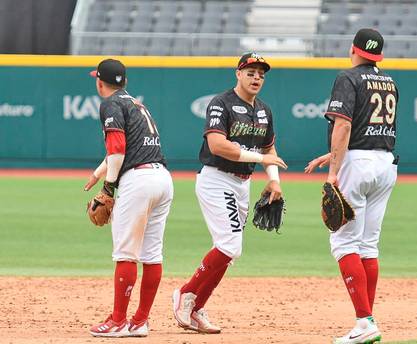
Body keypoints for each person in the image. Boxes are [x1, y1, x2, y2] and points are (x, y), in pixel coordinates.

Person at [172, 52, 287, 334]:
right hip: (217, 179)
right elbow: (217, 145)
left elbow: (268, 149)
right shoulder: (221, 103)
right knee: (229, 246)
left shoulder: (264, 110)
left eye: (261, 73)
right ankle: (185, 295)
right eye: (251, 72)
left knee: (229, 252)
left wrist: (274, 181)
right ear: (238, 73)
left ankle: (197, 307)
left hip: (242, 183)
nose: (257, 77)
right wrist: (261, 161)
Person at [305, 28, 398, 344]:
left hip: (357, 165)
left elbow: (344, 124)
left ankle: (364, 322)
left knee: (344, 244)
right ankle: (368, 320)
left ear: (353, 49)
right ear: (379, 55)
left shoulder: (348, 77)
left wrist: (333, 172)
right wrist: (331, 155)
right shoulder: (389, 81)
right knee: (368, 245)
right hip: (385, 163)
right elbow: (367, 130)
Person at [84, 59, 174, 338]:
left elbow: (119, 150)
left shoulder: (110, 104)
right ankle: (140, 321)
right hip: (162, 179)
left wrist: (109, 187)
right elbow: (123, 149)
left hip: (138, 182)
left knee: (125, 253)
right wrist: (100, 174)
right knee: (152, 254)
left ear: (100, 82)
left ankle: (118, 321)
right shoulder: (135, 103)